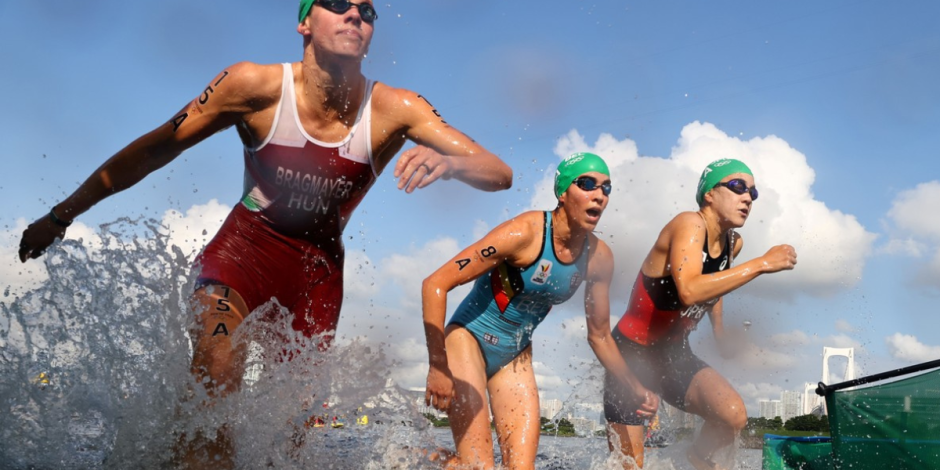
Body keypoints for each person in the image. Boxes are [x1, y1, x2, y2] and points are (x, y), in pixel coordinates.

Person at [17, 0, 512, 466]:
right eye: (338, 3)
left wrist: (450, 164)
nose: (355, 15)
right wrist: (63, 215)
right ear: (304, 23)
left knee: (287, 437)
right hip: (240, 258)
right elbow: (156, 148)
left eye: (368, 10)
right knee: (219, 366)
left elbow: (497, 171)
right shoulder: (253, 85)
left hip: (316, 279)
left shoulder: (395, 107)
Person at [422, 153, 659, 470]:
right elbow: (435, 283)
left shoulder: (599, 259)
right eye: (586, 184)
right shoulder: (523, 233)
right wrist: (438, 365)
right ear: (562, 192)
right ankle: (412, 460)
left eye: (606, 188)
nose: (599, 195)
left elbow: (600, 336)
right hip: (468, 341)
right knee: (478, 467)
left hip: (514, 355)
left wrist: (636, 387)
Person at [602, 158, 797, 469]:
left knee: (732, 415)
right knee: (629, 465)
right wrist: (761, 264)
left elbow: (713, 285)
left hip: (675, 355)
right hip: (631, 355)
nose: (748, 197)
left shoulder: (733, 242)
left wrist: (718, 333)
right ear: (709, 193)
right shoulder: (688, 225)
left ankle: (696, 457)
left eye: (753, 193)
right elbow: (690, 289)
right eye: (737, 187)